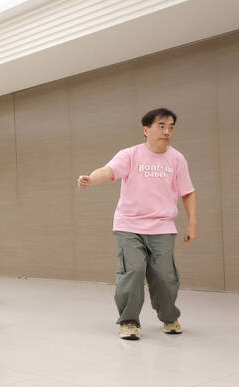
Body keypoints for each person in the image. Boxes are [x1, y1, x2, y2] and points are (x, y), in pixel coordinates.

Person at [77, 107, 197, 340]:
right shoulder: (130, 155)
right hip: (129, 225)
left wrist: (193, 223)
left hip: (162, 227)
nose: (167, 131)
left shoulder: (177, 159)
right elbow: (108, 171)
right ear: (146, 130)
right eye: (161, 126)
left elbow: (188, 192)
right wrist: (90, 179)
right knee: (133, 271)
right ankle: (129, 321)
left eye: (171, 127)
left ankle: (169, 316)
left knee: (164, 275)